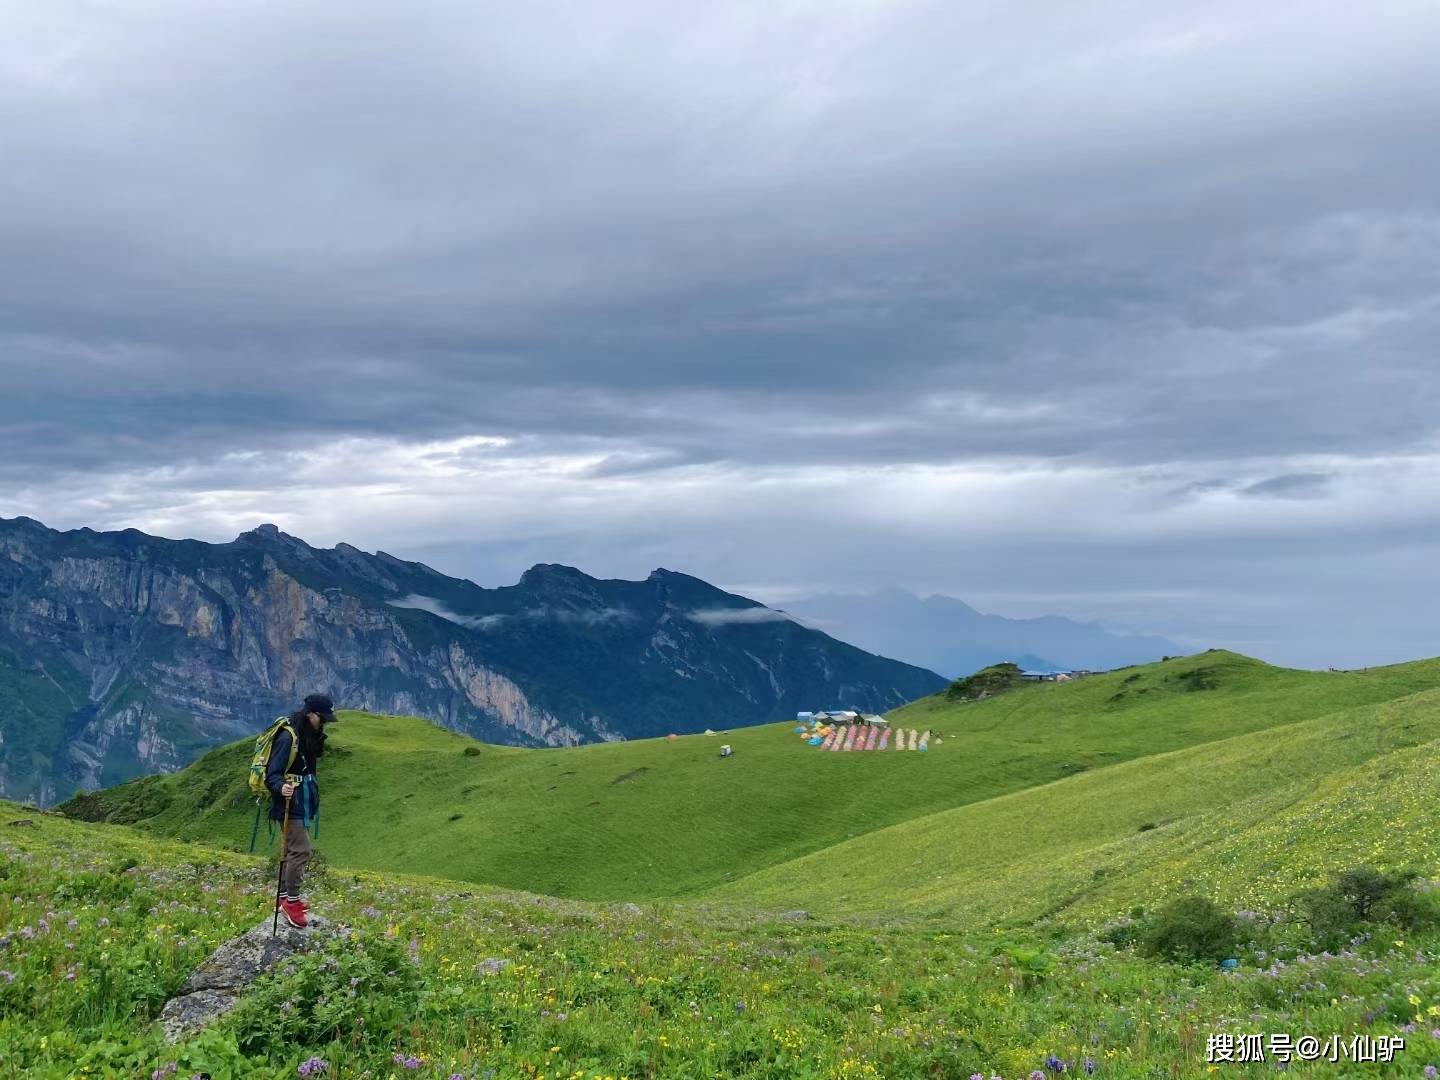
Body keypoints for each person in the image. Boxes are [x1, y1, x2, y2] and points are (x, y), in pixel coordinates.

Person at [266, 692, 337, 928]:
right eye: (321, 718)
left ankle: (284, 896)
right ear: (310, 714)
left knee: (291, 849)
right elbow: (272, 774)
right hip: (290, 803)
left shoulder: (306, 736)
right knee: (301, 850)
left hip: (303, 802)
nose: (323, 722)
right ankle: (292, 902)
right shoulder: (288, 738)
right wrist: (280, 787)